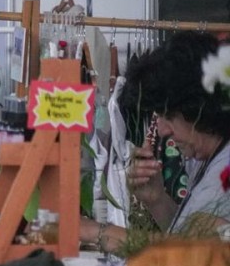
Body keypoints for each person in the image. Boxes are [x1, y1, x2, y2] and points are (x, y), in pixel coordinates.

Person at [83, 32, 230, 251]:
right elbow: (183, 234)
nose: (161, 130)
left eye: (168, 116)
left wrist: (97, 232)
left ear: (199, 108)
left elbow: (188, 251)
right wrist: (157, 199)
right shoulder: (203, 158)